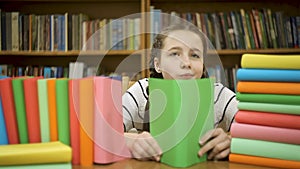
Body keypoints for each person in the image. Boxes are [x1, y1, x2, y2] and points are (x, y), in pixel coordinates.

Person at [122, 23, 238, 162]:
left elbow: (258, 131)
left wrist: (232, 140)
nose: (186, 63)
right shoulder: (141, 92)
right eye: (175, 54)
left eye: (195, 55)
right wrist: (128, 140)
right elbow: (101, 132)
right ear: (158, 64)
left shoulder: (219, 94)